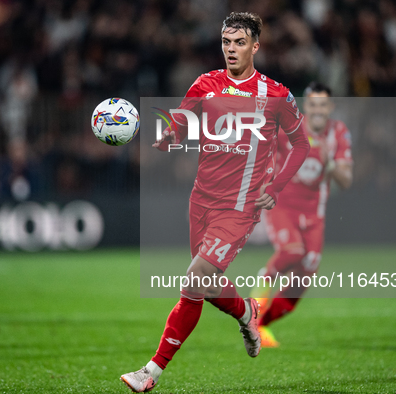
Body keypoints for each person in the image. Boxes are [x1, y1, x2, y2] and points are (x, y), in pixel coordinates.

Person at [121, 12, 310, 392]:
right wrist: (151, 132)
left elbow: (302, 143)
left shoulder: (274, 94)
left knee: (193, 281)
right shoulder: (205, 83)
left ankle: (151, 372)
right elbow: (177, 129)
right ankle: (247, 312)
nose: (231, 49)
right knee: (206, 286)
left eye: (240, 43)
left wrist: (275, 187)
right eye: (226, 42)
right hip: (201, 201)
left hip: (240, 207)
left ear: (256, 46)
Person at [250, 81, 353, 347]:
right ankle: (258, 295)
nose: (318, 110)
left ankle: (261, 325)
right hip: (283, 206)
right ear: (306, 106)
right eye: (313, 105)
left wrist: (330, 162)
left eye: (323, 105)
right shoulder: (289, 127)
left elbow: (346, 180)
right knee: (292, 252)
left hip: (314, 214)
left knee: (305, 273)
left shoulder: (338, 133)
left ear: (330, 107)